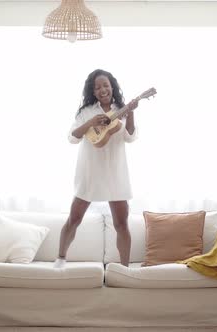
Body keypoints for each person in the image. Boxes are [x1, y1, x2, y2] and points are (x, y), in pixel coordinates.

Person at [54, 69, 140, 268]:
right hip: (90, 172)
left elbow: (130, 137)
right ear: (93, 91)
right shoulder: (87, 112)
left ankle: (124, 268)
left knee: (121, 224)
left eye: (106, 85)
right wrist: (91, 122)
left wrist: (131, 112)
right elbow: (72, 137)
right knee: (74, 218)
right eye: (98, 87)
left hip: (115, 173)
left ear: (112, 87)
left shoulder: (121, 109)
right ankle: (60, 259)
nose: (103, 89)